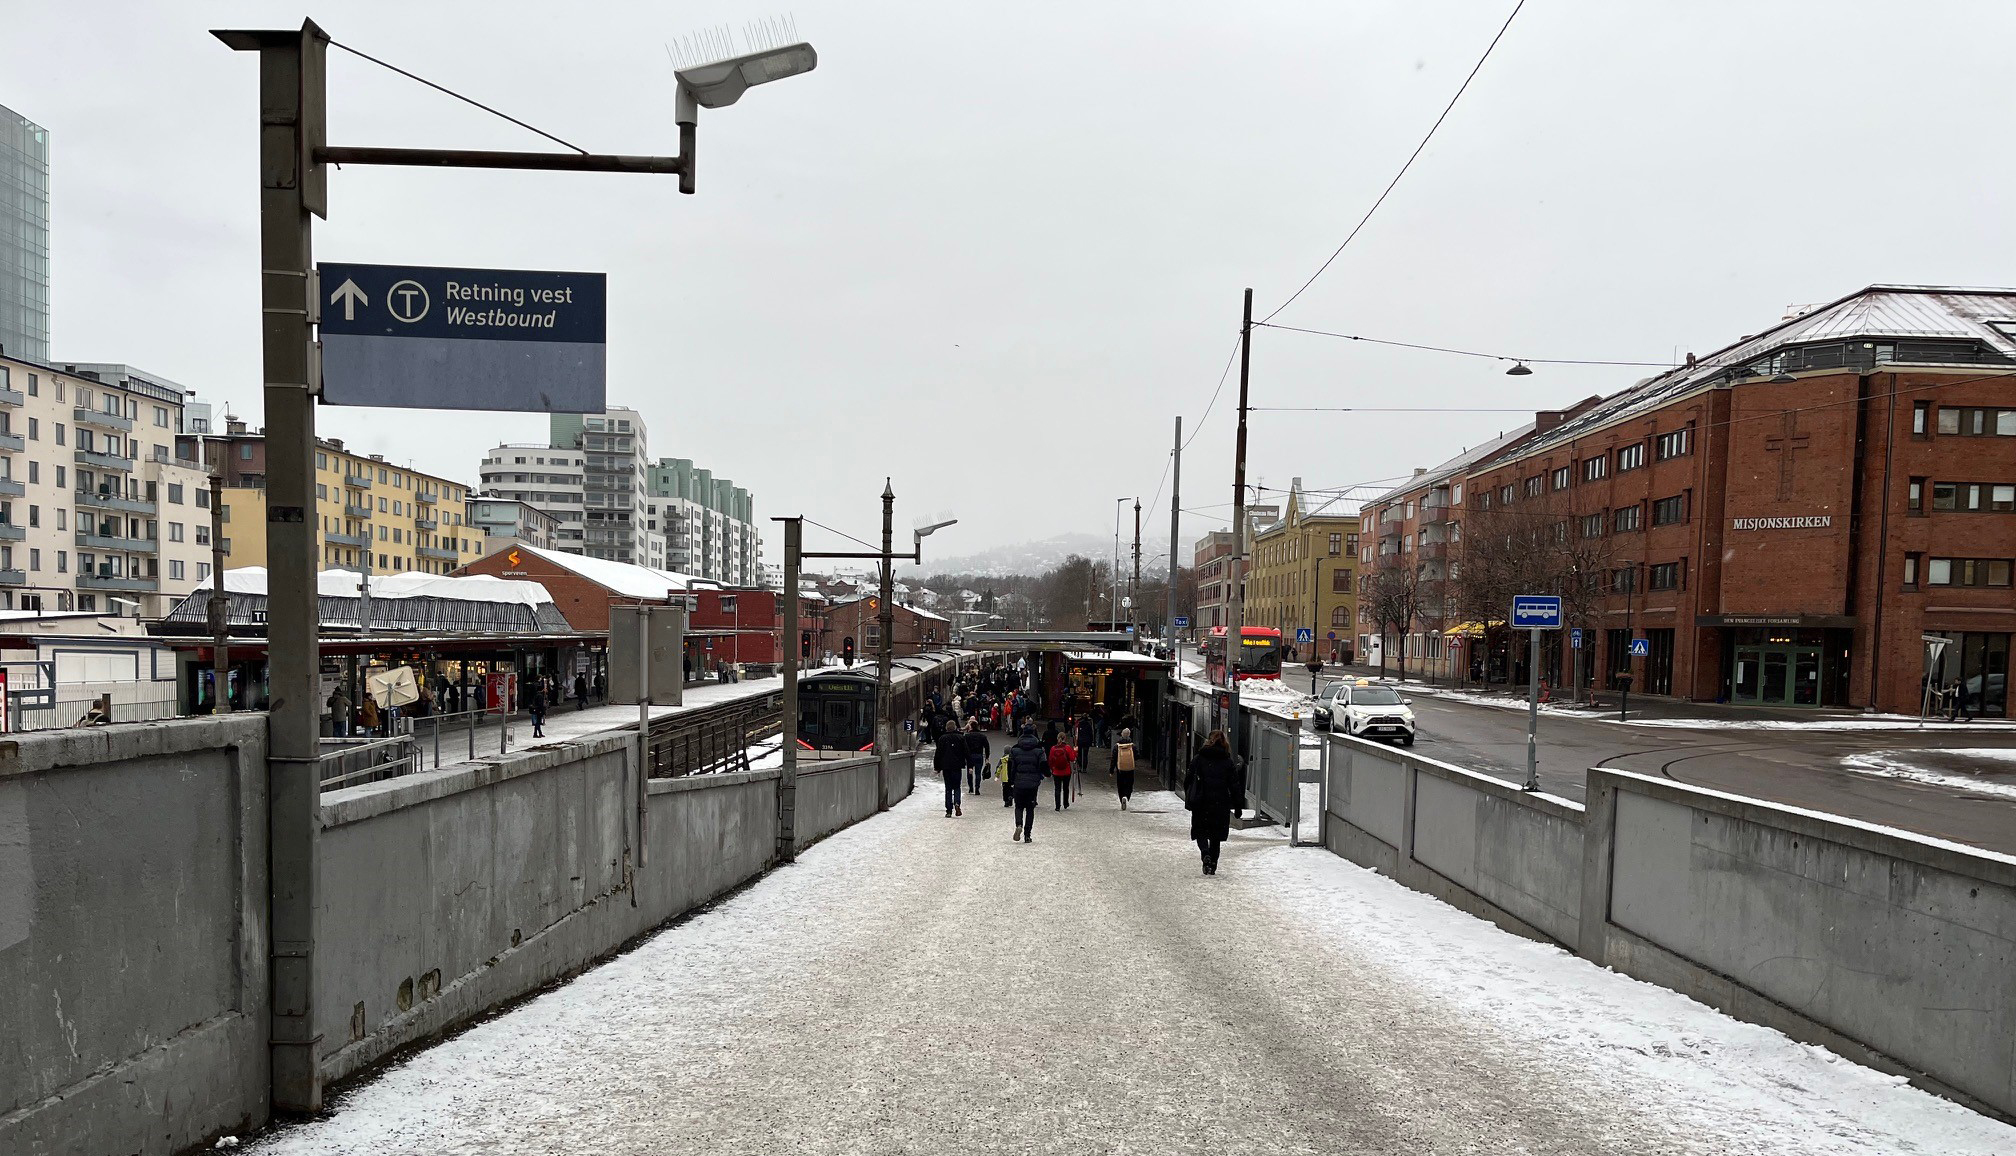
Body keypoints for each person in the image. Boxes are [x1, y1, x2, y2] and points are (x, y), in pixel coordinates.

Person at [1185, 730, 1240, 875]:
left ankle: (1205, 854)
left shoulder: (1199, 758)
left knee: (1201, 831)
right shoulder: (1227, 761)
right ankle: (1213, 864)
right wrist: (1238, 806)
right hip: (1220, 803)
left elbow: (1189, 779)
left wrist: (1190, 796)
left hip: (1201, 802)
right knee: (1215, 837)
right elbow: (1234, 785)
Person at [1006, 725, 1048, 842]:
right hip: (1033, 783)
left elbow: (1011, 767)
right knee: (1030, 808)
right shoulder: (1039, 751)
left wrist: (1011, 781)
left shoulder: (1014, 750)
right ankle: (1027, 834)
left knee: (1018, 806)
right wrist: (1046, 774)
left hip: (1019, 781)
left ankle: (1018, 824)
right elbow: (1044, 765)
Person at [934, 723, 967, 817]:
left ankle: (948, 810)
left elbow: (938, 754)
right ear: (955, 728)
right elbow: (966, 751)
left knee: (948, 788)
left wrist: (937, 767)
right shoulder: (960, 738)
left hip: (946, 766)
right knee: (957, 786)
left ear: (946, 728)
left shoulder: (942, 738)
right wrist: (969, 765)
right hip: (957, 766)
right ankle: (957, 802)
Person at [1048, 729, 1076, 811]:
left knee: (1057, 788)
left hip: (1056, 772)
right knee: (1066, 788)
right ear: (1065, 738)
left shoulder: (1053, 748)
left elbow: (1050, 760)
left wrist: (1052, 768)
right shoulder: (1067, 748)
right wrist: (1075, 752)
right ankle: (1066, 803)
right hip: (1066, 771)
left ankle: (1057, 805)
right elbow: (1072, 758)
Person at [1113, 726, 1137, 810]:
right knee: (1129, 784)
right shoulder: (1132, 746)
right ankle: (1127, 796)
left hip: (1120, 769)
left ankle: (1122, 797)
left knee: (1120, 784)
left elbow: (1113, 758)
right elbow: (1137, 756)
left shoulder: (1117, 746)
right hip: (1130, 768)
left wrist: (1111, 770)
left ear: (1122, 735)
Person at [964, 719, 989, 797]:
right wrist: (987, 757)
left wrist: (964, 756)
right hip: (979, 755)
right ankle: (977, 788)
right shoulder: (982, 736)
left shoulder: (967, 736)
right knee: (978, 773)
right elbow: (987, 747)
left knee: (969, 771)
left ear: (970, 727)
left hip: (970, 756)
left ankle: (971, 787)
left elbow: (964, 747)